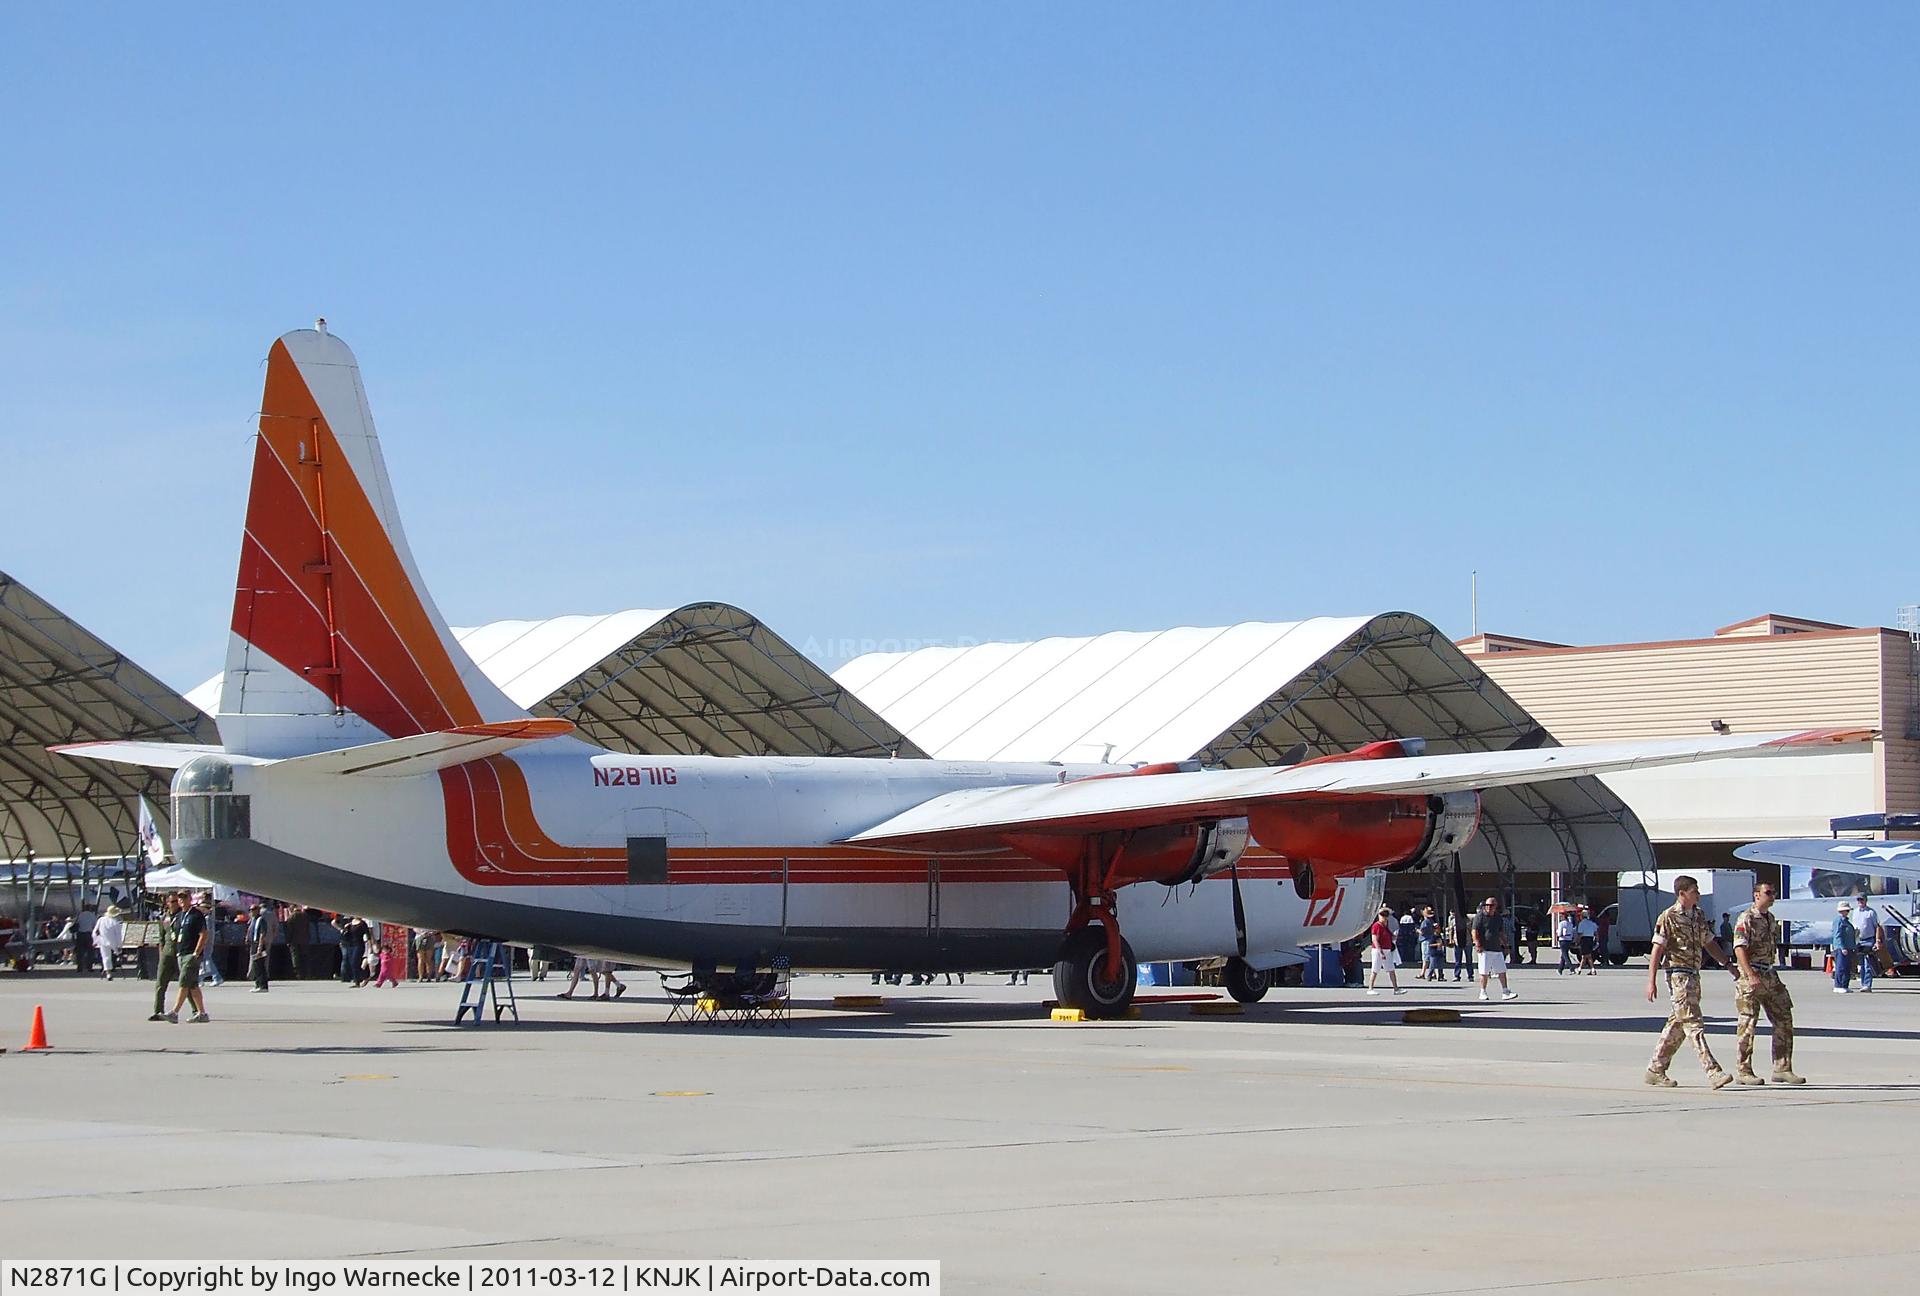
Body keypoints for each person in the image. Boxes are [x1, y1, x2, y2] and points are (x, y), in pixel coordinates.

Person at [1643, 875, 1733, 1088]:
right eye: (1694, 891)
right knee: (1693, 1024)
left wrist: (1728, 965)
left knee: (1678, 1024)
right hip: (1678, 975)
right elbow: (1657, 949)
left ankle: (1655, 1069)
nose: (1698, 894)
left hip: (1694, 975)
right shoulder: (1668, 917)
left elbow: (1709, 943)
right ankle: (1713, 1072)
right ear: (1682, 894)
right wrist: (1651, 981)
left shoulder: (1698, 916)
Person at [1731, 881, 1803, 1085]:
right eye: (1768, 893)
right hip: (1751, 975)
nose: (1772, 896)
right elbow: (1739, 948)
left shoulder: (1770, 918)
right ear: (1756, 895)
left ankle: (1782, 1067)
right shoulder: (1746, 918)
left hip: (1769, 974)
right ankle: (1744, 1071)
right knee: (1748, 1023)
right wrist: (1750, 974)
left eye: (1774, 893)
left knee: (1784, 1017)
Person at [169, 894, 213, 1023]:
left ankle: (174, 1012)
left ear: (190, 899)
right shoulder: (179, 915)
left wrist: (196, 952)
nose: (181, 901)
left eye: (184, 898)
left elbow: (204, 934)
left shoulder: (195, 915)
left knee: (183, 982)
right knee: (193, 985)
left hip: (191, 954)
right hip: (181, 953)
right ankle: (202, 1013)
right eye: (180, 899)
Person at [1472, 897, 1518, 1001]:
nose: (1489, 907)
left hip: (1497, 948)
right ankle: (1482, 991)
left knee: (1502, 970)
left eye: (1492, 906)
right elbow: (1474, 931)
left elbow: (1501, 932)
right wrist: (1477, 943)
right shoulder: (1480, 916)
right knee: (1484, 972)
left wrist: (1506, 945)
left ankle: (1505, 991)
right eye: (1487, 905)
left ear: (1496, 907)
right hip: (1485, 948)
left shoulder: (1498, 917)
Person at [149, 893, 182, 1020]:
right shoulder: (164, 918)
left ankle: (196, 1010)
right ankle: (158, 1010)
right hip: (167, 953)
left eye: (176, 901)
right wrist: (161, 953)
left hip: (180, 951)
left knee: (186, 983)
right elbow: (161, 938)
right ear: (167, 903)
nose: (174, 904)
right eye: (172, 901)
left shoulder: (182, 916)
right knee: (160, 983)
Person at [1365, 906, 1403, 995]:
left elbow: (1390, 937)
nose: (1384, 917)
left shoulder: (1385, 926)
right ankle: (1370, 988)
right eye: (1382, 915)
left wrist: (1395, 936)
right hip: (1378, 951)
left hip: (1387, 950)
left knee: (1391, 969)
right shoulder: (1376, 926)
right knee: (1375, 969)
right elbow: (1374, 939)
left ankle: (1396, 988)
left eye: (1386, 915)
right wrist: (1380, 951)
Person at [1853, 895, 1881, 992]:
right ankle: (1863, 983)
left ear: (1866, 900)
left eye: (1862, 899)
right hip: (1858, 940)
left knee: (1867, 963)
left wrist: (1877, 941)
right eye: (1858, 900)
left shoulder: (1871, 912)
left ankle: (1867, 985)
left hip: (1869, 940)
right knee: (1861, 964)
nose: (1860, 901)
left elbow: (1877, 926)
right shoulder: (1855, 912)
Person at [247, 902, 275, 992]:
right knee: (255, 965)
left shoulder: (261, 919)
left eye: (253, 910)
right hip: (254, 943)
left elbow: (263, 933)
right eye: (250, 910)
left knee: (260, 965)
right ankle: (257, 984)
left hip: (260, 944)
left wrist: (260, 946)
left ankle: (263, 986)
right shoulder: (253, 919)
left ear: (257, 910)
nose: (251, 912)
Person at [1830, 901, 1857, 993]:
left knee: (1847, 967)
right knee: (1841, 967)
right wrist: (1842, 947)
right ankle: (1838, 985)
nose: (1847, 912)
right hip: (1841, 948)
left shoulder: (1846, 921)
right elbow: (1837, 935)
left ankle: (1845, 985)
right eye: (1846, 910)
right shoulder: (1838, 920)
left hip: (1849, 947)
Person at [93, 904, 126, 980]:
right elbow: (118, 935)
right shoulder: (115, 922)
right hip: (113, 941)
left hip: (102, 940)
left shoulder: (101, 920)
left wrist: (95, 940)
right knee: (116, 954)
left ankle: (108, 973)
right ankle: (112, 968)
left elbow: (95, 931)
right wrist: (119, 946)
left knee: (105, 957)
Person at [1418, 906, 1442, 980]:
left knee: (1425, 958)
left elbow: (1422, 932)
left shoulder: (1425, 922)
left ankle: (1423, 973)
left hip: (1425, 940)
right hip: (1430, 939)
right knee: (1430, 957)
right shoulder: (1431, 921)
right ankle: (1433, 973)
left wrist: (1417, 930)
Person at [1575, 908, 1599, 975]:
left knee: (1586, 956)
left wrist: (1577, 942)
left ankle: (1583, 969)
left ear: (1582, 916)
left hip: (1584, 940)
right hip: (1590, 939)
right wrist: (1597, 942)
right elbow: (1596, 933)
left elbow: (1580, 934)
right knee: (1587, 955)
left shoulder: (1581, 924)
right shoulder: (1592, 924)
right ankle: (1589, 969)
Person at [1556, 910, 1576, 975]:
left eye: (1561, 915)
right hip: (1569, 940)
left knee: (1565, 955)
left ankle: (1571, 968)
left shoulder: (1561, 923)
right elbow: (1572, 932)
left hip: (1563, 940)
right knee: (1563, 955)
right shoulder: (1570, 924)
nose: (1560, 917)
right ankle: (1560, 969)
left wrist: (1557, 932)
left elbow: (1559, 933)